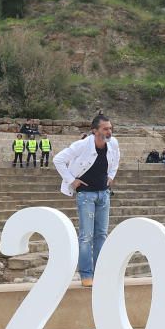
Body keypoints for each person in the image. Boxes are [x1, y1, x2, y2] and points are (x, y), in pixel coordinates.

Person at [53, 114, 120, 288]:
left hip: (104, 195)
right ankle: (86, 274)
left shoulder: (113, 143)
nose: (109, 131)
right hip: (86, 196)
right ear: (95, 131)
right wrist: (71, 180)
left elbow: (116, 161)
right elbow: (58, 159)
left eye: (110, 128)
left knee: (101, 235)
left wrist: (111, 176)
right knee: (86, 236)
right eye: (105, 128)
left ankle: (101, 272)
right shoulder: (82, 145)